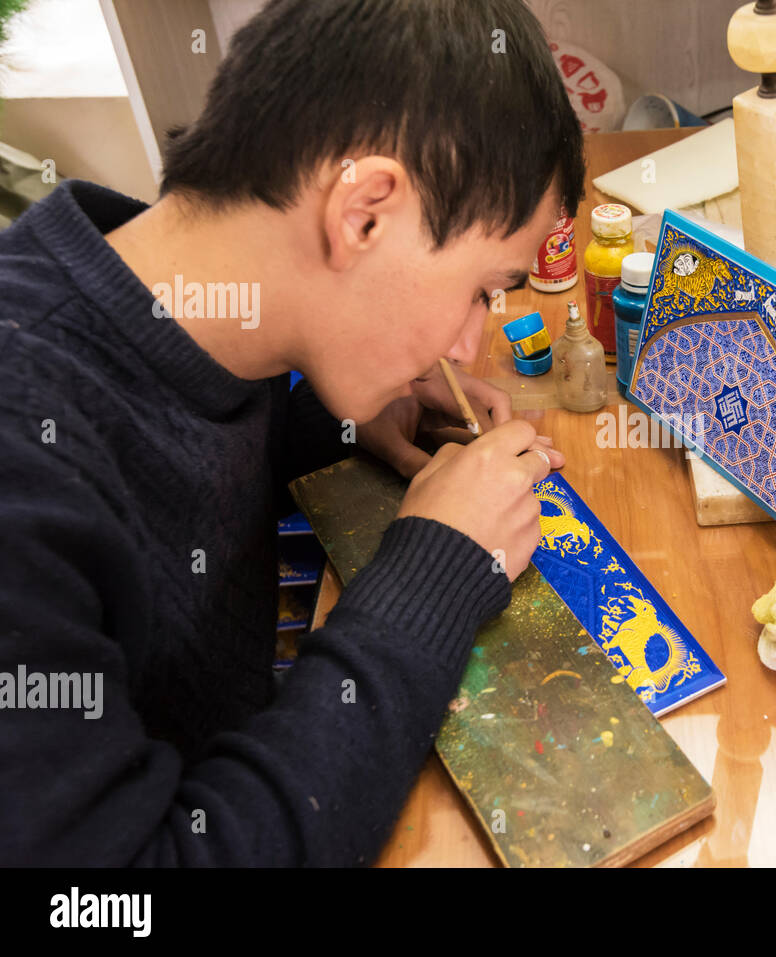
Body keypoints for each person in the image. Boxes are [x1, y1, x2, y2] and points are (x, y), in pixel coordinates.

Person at [0, 0, 583, 865]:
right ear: (363, 213)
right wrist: (436, 573)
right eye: (482, 290)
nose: (470, 344)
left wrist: (343, 417)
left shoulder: (186, 311)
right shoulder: (24, 468)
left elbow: (186, 443)